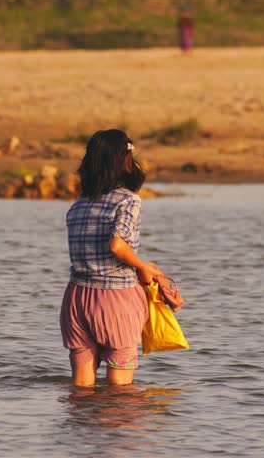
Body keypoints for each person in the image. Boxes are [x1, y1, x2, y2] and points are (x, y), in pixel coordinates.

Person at [60, 129, 160, 387]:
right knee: (121, 394)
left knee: (81, 389)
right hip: (115, 300)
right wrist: (142, 267)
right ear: (125, 160)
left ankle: (80, 428)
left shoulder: (79, 203)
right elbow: (117, 245)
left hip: (76, 299)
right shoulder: (128, 200)